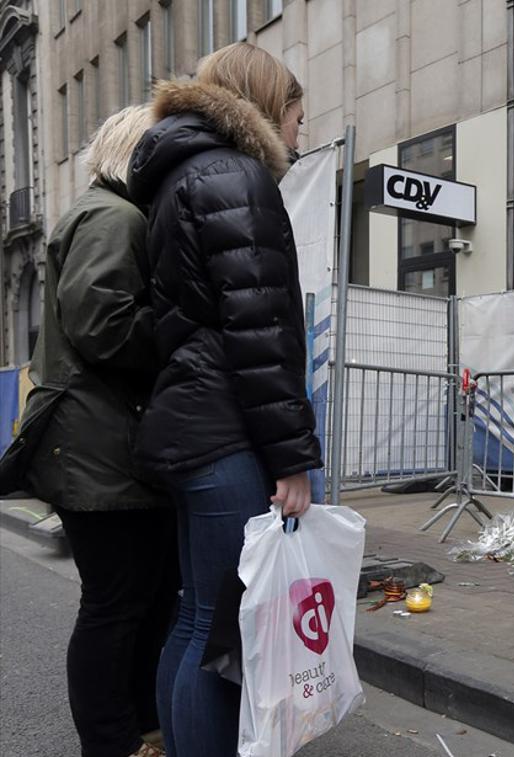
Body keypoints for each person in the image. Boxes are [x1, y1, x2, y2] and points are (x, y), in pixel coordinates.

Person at [127, 43, 321, 757]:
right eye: (298, 119)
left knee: (194, 619)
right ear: (270, 105)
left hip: (190, 429)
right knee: (224, 631)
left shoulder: (178, 177)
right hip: (225, 435)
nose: (299, 139)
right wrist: (293, 459)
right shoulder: (236, 176)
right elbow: (262, 332)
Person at [19, 104, 176, 757]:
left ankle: (139, 728)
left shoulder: (103, 212)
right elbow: (102, 323)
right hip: (98, 450)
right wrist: (180, 327)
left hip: (100, 446)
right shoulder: (116, 216)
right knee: (115, 606)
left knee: (134, 603)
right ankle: (115, 741)